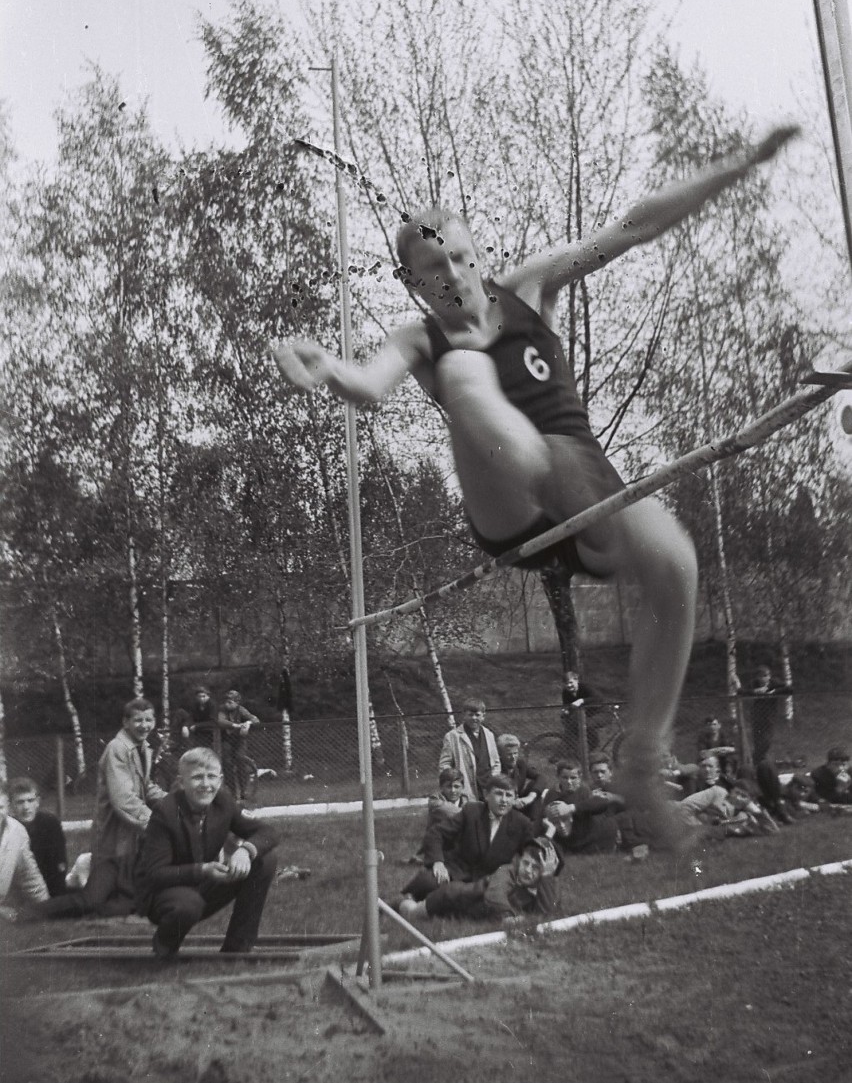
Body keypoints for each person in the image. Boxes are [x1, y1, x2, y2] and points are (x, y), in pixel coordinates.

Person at [271, 125, 797, 835]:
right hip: (512, 508)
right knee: (463, 369)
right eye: (433, 268)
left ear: (476, 252)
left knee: (677, 563)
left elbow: (635, 224)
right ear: (412, 282)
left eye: (460, 257)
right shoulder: (418, 338)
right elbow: (368, 385)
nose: (453, 276)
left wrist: (736, 165)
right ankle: (555, 472)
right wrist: (322, 367)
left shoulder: (530, 285)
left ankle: (644, 755)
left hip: (588, 501)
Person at [136, 747, 278, 957]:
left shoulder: (223, 802)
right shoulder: (165, 812)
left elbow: (266, 831)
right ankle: (165, 944)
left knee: (264, 859)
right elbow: (156, 874)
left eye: (211, 777)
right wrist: (203, 870)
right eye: (197, 778)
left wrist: (245, 851)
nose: (206, 785)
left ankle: (238, 947)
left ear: (220, 780)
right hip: (161, 895)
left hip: (202, 885)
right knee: (188, 905)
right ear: (181, 782)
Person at [42, 698, 167, 919]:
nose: (144, 725)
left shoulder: (144, 748)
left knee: (124, 896)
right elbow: (123, 799)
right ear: (125, 722)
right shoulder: (117, 749)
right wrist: (157, 823)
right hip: (113, 833)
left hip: (131, 834)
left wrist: (175, 803)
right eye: (138, 720)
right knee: (96, 895)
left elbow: (146, 786)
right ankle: (29, 912)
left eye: (149, 720)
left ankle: (90, 903)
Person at [401, 774, 535, 904]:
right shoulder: (472, 811)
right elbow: (436, 833)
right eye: (499, 794)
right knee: (428, 881)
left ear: (515, 798)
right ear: (487, 795)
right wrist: (438, 862)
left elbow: (531, 855)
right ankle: (404, 901)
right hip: (460, 871)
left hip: (492, 880)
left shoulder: (522, 823)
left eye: (509, 795)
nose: (504, 800)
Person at [400, 836, 560, 923]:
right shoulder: (507, 872)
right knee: (411, 913)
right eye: (526, 863)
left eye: (536, 868)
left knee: (441, 920)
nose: (528, 871)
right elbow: (494, 895)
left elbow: (546, 913)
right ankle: (391, 903)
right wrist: (509, 918)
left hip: (468, 915)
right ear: (519, 859)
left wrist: (547, 878)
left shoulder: (541, 886)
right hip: (451, 898)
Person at [535, 758, 619, 856]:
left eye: (573, 778)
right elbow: (543, 816)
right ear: (558, 777)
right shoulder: (552, 794)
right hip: (564, 836)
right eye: (565, 778)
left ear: (579, 777)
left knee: (608, 823)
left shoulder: (584, 790)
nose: (569, 782)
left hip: (585, 834)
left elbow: (600, 803)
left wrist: (570, 808)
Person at [8, 776, 67, 897]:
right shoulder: (9, 828)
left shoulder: (50, 823)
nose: (26, 807)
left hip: (50, 887)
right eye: (20, 802)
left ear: (37, 802)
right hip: (19, 891)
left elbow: (60, 863)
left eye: (30, 800)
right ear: (11, 805)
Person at [0, 781, 49, 920]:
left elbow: (29, 875)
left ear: (8, 807)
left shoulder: (17, 831)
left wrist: (46, 906)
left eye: (0, 807)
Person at [437, 698, 501, 802]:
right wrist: (454, 785)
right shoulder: (453, 736)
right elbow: (444, 765)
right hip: (467, 787)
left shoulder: (489, 735)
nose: (474, 718)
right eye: (470, 715)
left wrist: (493, 781)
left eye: (477, 715)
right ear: (464, 715)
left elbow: (496, 763)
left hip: (487, 786)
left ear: (483, 716)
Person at [736, 666, 791, 765]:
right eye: (761, 676)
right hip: (757, 715)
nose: (764, 679)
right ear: (757, 677)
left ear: (769, 676)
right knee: (758, 741)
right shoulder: (754, 684)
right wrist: (754, 691)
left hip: (770, 716)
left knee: (767, 741)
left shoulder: (774, 683)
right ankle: (759, 763)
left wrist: (774, 692)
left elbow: (789, 689)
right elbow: (740, 691)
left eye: (766, 676)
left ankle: (756, 759)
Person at [217, 689, 260, 804]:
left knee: (241, 760)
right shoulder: (222, 710)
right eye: (226, 701)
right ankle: (232, 792)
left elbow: (255, 719)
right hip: (227, 740)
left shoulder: (241, 710)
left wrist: (248, 723)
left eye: (231, 702)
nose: (228, 704)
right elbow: (221, 721)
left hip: (240, 740)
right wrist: (235, 725)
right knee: (227, 764)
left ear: (237, 702)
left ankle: (243, 791)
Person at [497, 733, 543, 815]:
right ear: (500, 755)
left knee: (534, 785)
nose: (513, 757)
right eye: (509, 754)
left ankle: (534, 823)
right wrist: (512, 802)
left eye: (515, 753)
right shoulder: (496, 769)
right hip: (502, 805)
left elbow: (541, 777)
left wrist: (530, 797)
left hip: (519, 803)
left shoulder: (520, 764)